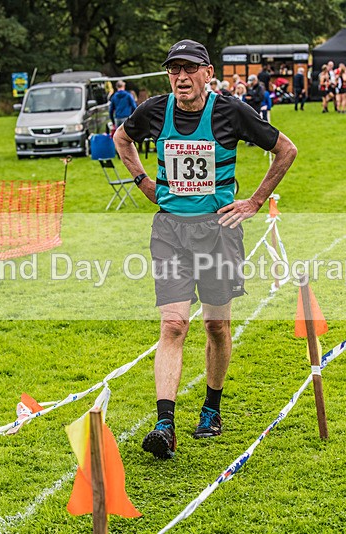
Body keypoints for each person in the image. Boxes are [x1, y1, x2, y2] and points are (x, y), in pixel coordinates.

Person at [112, 39, 297, 460]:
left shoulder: (231, 111)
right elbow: (121, 139)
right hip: (170, 232)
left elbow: (285, 150)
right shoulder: (155, 110)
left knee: (216, 327)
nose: (180, 78)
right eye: (174, 70)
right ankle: (165, 424)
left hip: (218, 232)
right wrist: (144, 182)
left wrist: (253, 201)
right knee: (174, 325)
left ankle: (211, 408)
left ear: (207, 73)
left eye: (189, 69)